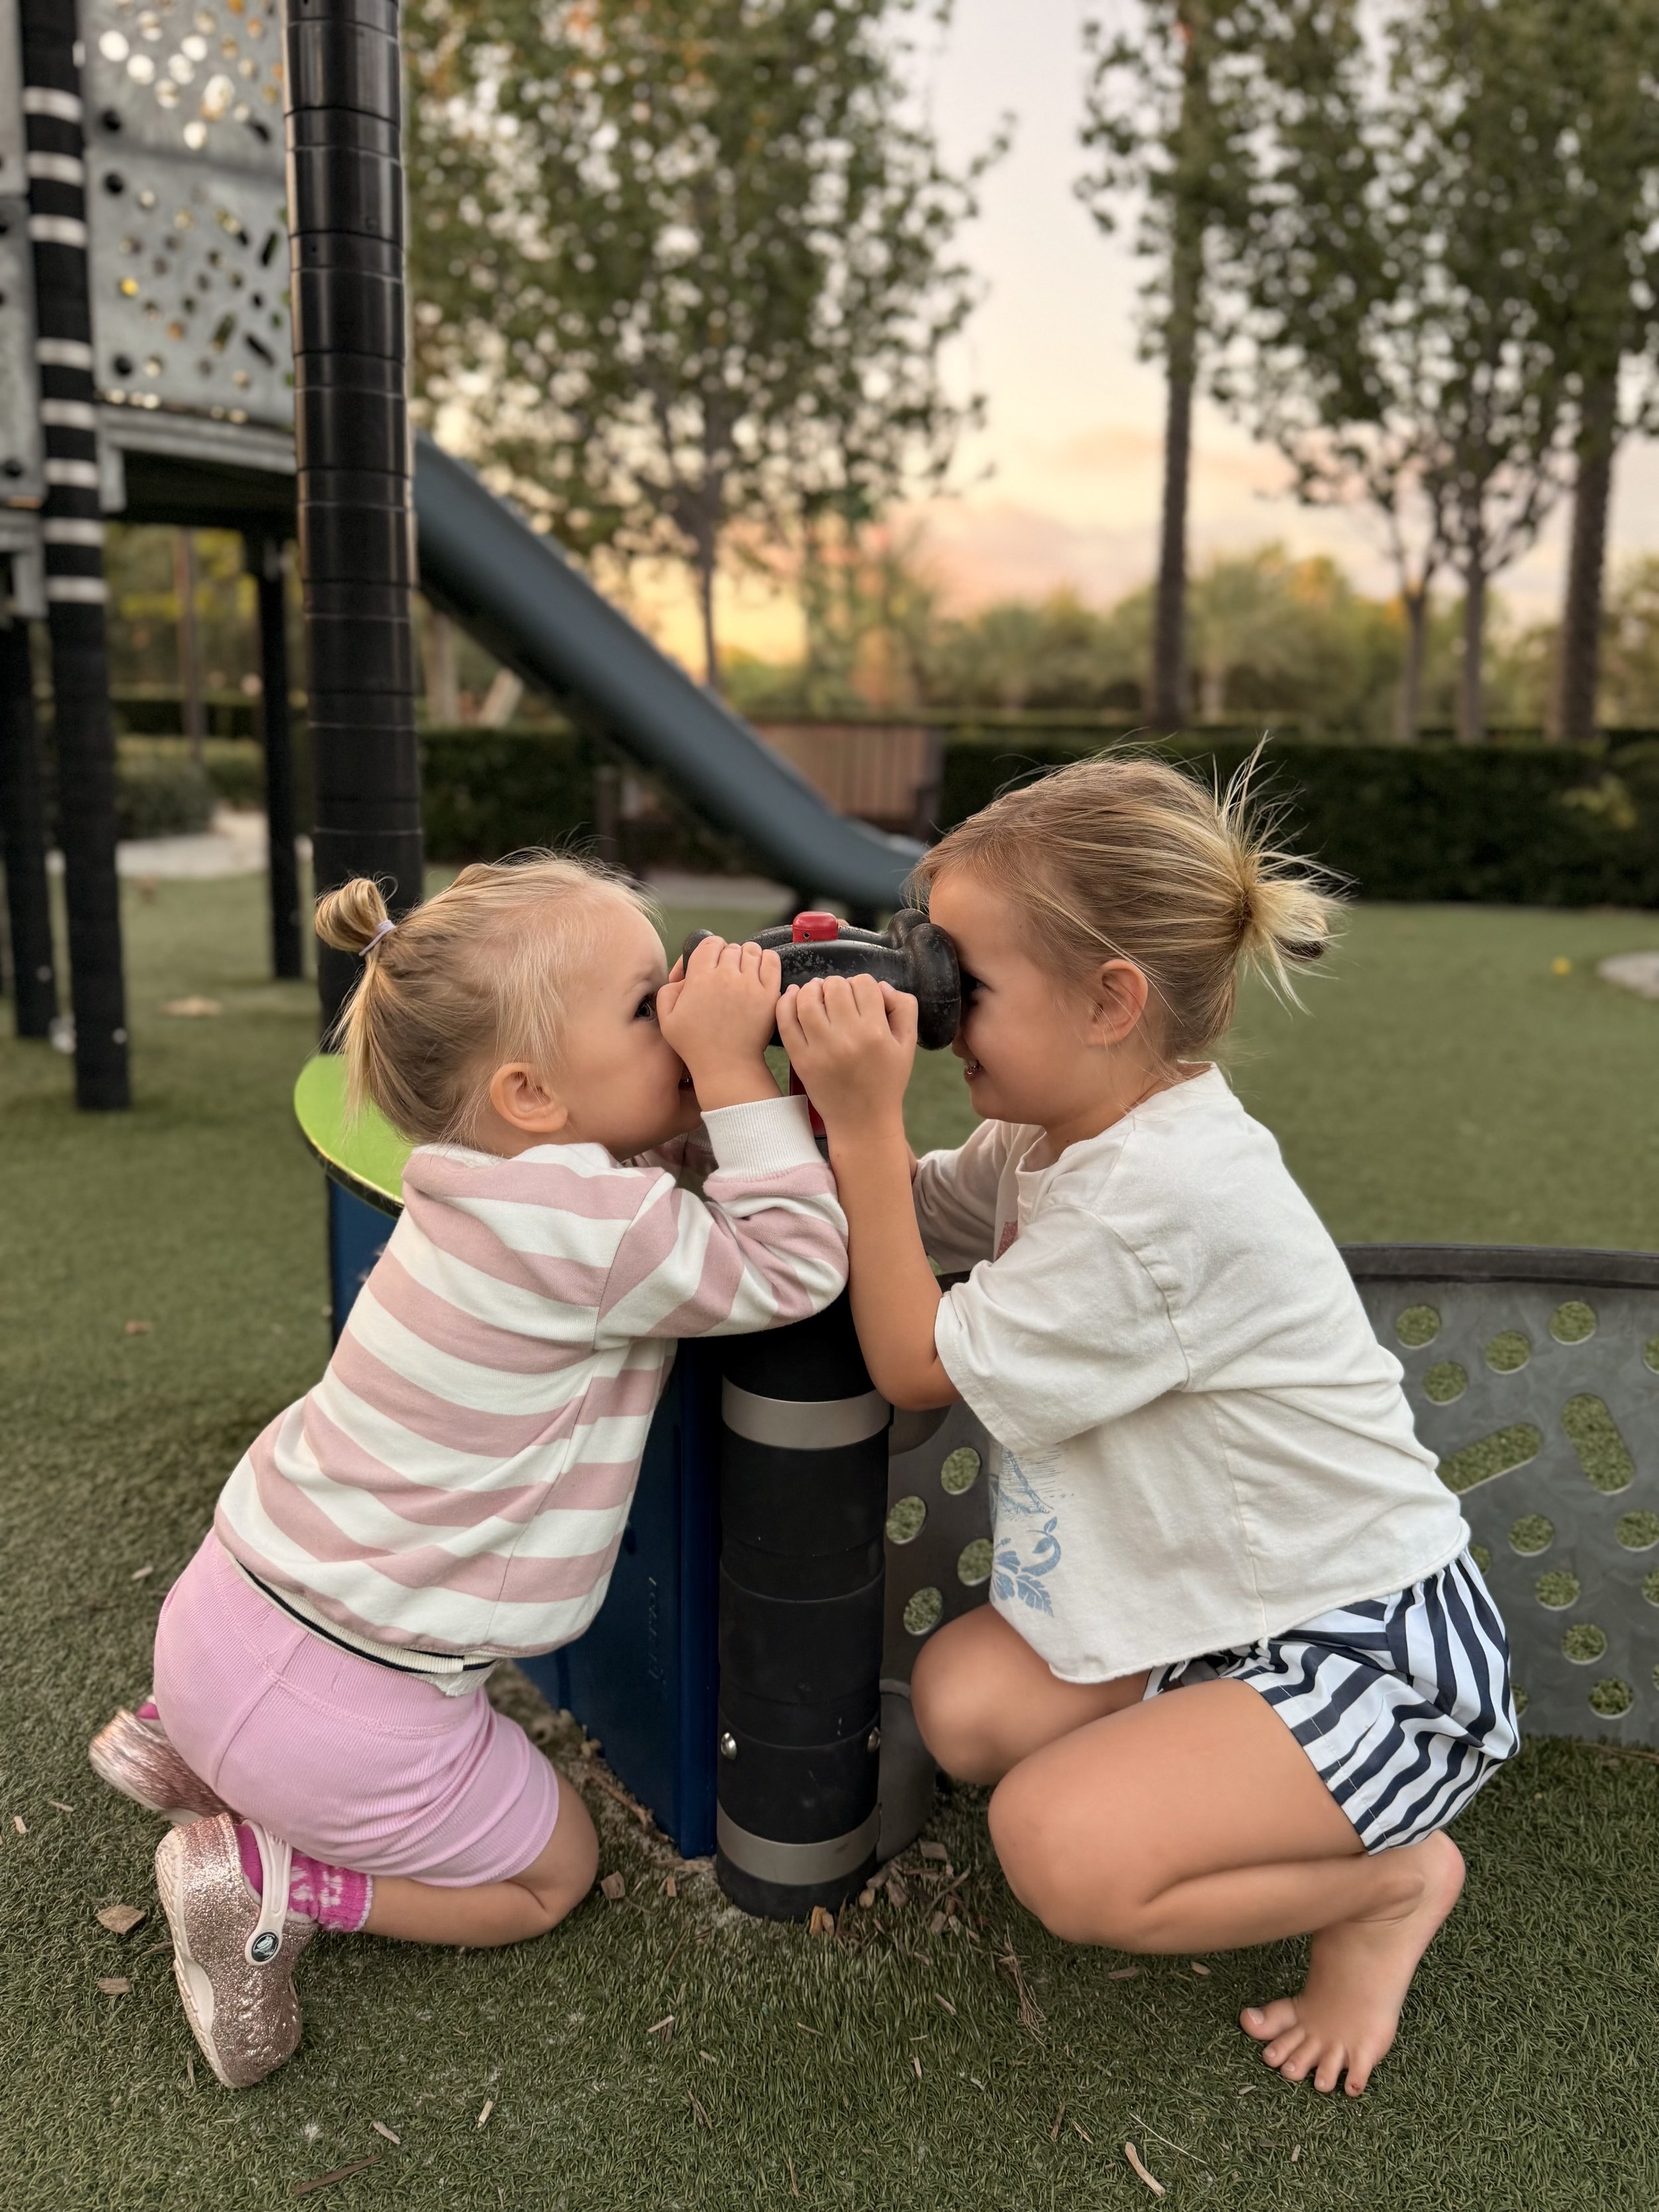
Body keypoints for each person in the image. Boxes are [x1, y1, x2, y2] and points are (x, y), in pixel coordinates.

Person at [779, 753, 1516, 2099]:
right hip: (1212, 1607)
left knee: (1058, 1851)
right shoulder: (1065, 1130)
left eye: (966, 983)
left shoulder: (1158, 1201)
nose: (937, 1015)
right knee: (964, 1704)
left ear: (1111, 1000)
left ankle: (1390, 1882)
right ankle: (1199, 1781)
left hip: (1366, 1653)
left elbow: (907, 1354)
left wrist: (860, 1112)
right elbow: (904, 1211)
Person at [90, 854, 847, 2089]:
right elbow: (797, 1262)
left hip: (216, 1616)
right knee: (554, 1875)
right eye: (650, 1004)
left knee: (289, 1677)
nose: (684, 1013)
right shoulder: (598, 1227)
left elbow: (669, 1188)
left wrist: (694, 1078)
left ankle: (193, 1749)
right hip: (347, 1720)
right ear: (533, 1092)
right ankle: (276, 1879)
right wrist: (733, 1072)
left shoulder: (469, 1188)